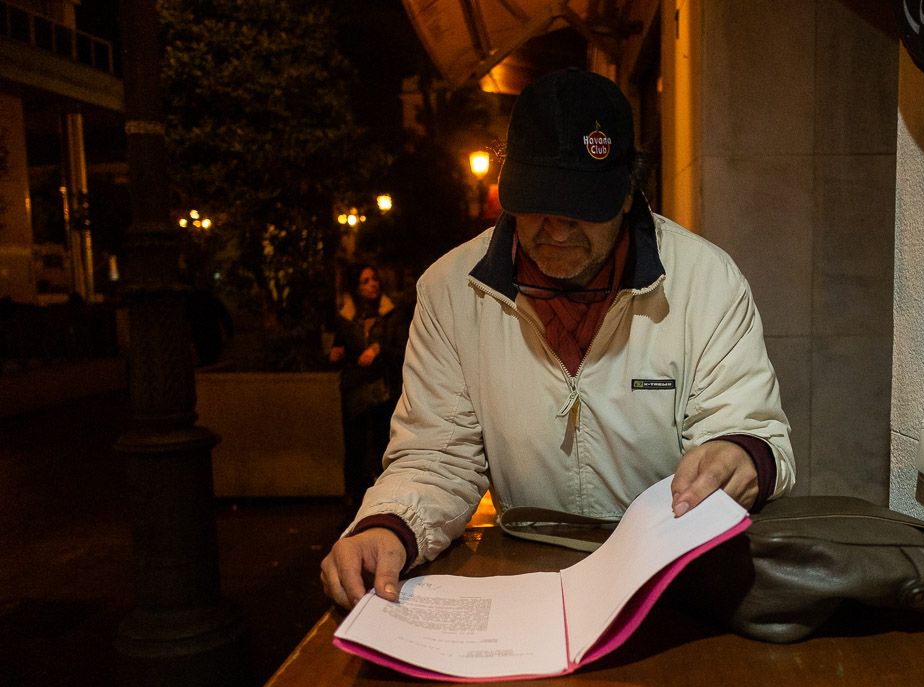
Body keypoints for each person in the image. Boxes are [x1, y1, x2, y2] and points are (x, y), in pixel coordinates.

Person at [321, 69, 795, 610]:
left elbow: (748, 427)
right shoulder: (452, 291)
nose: (558, 230)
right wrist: (390, 526)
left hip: (669, 575)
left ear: (627, 195)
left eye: (583, 208)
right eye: (539, 203)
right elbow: (437, 457)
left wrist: (739, 453)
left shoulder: (705, 281)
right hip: (527, 577)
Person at [329, 262, 410, 508]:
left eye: (374, 279)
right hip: (355, 391)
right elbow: (339, 346)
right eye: (365, 281)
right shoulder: (347, 318)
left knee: (381, 447)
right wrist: (336, 353)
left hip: (383, 390)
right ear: (356, 287)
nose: (372, 284)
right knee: (355, 447)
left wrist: (378, 349)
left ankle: (382, 503)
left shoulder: (391, 313)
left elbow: (403, 349)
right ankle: (355, 503)